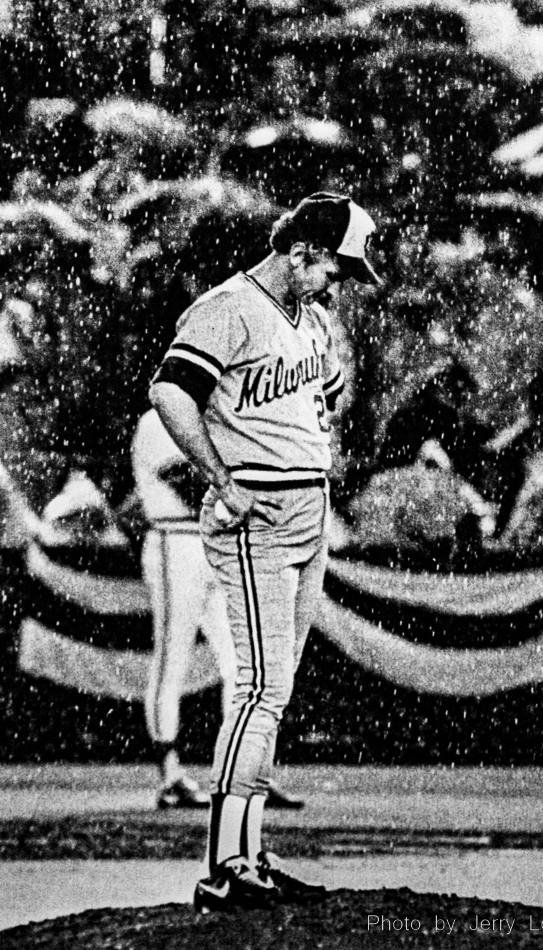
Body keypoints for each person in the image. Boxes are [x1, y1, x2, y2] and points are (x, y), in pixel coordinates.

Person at [149, 192, 380, 912]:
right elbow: (170, 393)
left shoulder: (311, 319)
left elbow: (324, 399)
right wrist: (219, 477)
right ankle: (223, 865)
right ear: (301, 250)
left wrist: (324, 377)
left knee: (272, 695)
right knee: (257, 690)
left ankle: (251, 853)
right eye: (334, 268)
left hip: (307, 506)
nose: (340, 283)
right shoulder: (228, 307)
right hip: (257, 507)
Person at [131, 407, 308, 812]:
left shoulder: (213, 418)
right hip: (174, 540)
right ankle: (171, 776)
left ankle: (244, 775)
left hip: (217, 542)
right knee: (171, 660)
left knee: (242, 664)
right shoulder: (158, 418)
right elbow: (190, 483)